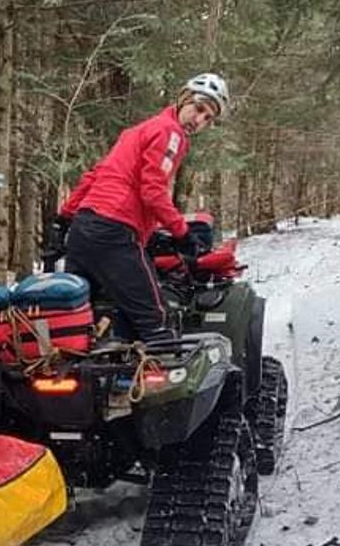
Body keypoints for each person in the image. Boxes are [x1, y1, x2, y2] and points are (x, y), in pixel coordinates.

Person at [59, 73, 228, 345]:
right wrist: (182, 233)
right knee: (157, 322)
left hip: (83, 231)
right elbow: (152, 190)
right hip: (115, 231)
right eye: (198, 109)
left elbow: (95, 175)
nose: (199, 121)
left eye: (208, 118)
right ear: (184, 99)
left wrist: (65, 218)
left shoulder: (139, 130)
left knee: (78, 325)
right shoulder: (171, 133)